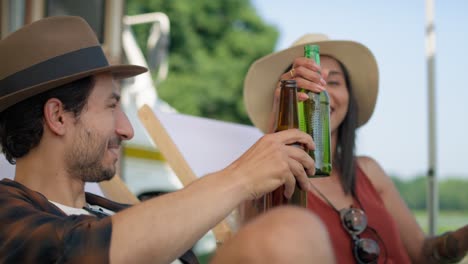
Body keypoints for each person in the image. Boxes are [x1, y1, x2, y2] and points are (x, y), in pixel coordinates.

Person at [0, 17, 336, 264]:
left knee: (288, 231)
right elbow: (83, 251)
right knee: (290, 233)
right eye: (112, 105)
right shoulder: (9, 217)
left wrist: (283, 120)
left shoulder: (114, 213)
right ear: (58, 117)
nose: (127, 130)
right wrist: (242, 175)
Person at [243, 33, 468, 263]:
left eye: (333, 83)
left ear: (349, 98)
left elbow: (424, 254)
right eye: (306, 82)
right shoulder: (269, 183)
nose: (321, 92)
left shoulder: (369, 171)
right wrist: (278, 127)